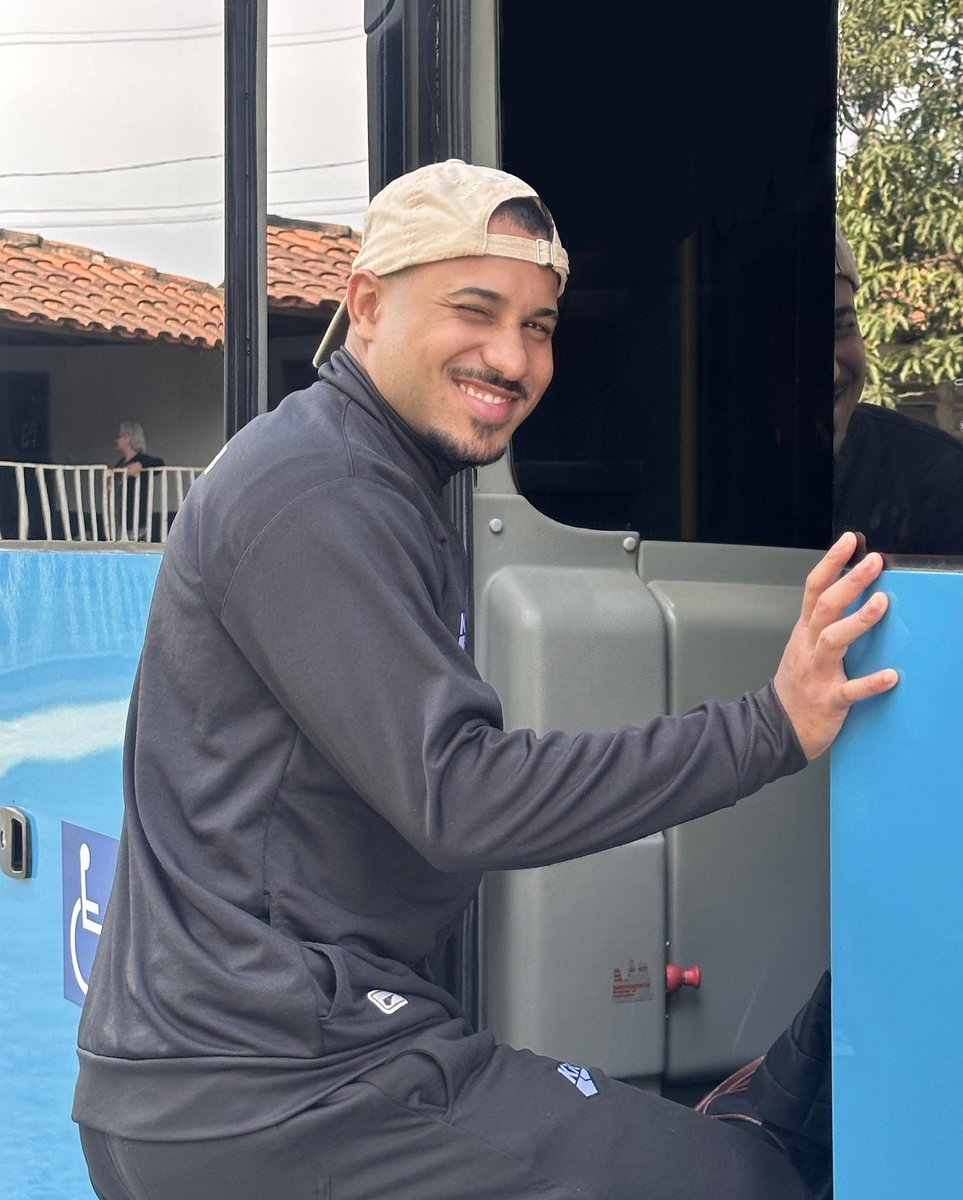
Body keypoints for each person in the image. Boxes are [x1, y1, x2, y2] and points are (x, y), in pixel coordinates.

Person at [74, 160, 896, 1200]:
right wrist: (773, 725)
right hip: (274, 1094)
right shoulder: (317, 490)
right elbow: (463, 798)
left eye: (541, 325)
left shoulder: (374, 475)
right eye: (477, 310)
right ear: (368, 303)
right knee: (739, 1183)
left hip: (267, 1070)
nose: (512, 356)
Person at [833, 224, 963, 556]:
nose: (832, 372)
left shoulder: (940, 481)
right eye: (790, 337)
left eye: (842, 327)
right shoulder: (690, 480)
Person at [112, 420, 165, 541]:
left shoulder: (142, 459)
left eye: (119, 437)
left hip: (138, 520)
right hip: (122, 518)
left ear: (128, 439)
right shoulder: (120, 463)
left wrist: (140, 465)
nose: (116, 440)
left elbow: (160, 464)